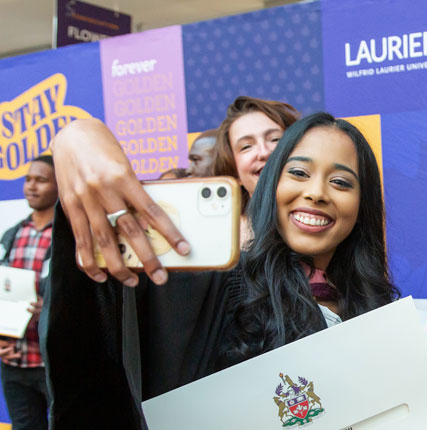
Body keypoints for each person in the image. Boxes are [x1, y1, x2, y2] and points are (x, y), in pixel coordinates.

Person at [41, 112, 398, 427]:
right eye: (299, 173)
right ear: (272, 183)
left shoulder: (377, 310)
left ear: (361, 201)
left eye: (341, 182)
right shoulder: (224, 289)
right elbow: (96, 342)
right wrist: (78, 136)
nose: (317, 192)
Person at [0, 155, 56, 430]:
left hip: (55, 364)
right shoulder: (11, 234)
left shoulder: (71, 236)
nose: (31, 186)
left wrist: (49, 308)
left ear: (60, 186)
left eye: (41, 180)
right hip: (15, 362)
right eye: (28, 179)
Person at [212, 96, 300, 246]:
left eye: (275, 139)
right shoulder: (220, 241)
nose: (264, 152)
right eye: (246, 146)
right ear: (234, 172)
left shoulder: (323, 221)